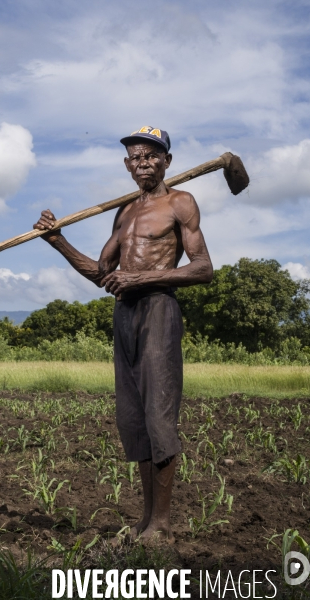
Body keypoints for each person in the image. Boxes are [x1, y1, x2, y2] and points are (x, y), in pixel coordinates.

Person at [34, 126, 213, 542]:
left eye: (151, 156)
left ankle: (163, 526)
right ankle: (147, 521)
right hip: (125, 314)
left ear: (167, 161)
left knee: (158, 417)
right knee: (133, 421)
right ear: (127, 165)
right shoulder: (124, 213)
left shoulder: (180, 203)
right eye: (135, 157)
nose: (142, 162)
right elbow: (102, 274)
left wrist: (141, 278)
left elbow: (203, 267)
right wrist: (57, 240)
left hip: (158, 309)